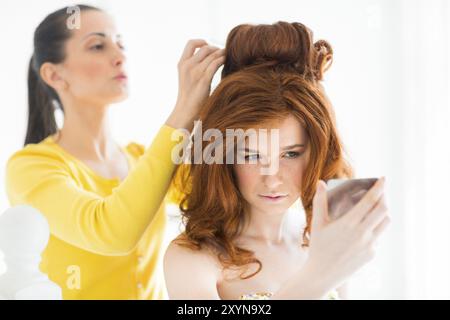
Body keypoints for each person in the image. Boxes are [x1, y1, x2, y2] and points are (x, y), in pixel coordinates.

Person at [5, 4, 224, 299]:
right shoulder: (30, 166)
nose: (120, 57)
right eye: (97, 46)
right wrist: (184, 110)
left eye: (120, 44)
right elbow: (111, 232)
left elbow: (221, 196)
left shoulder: (141, 157)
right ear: (54, 75)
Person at [163, 21, 390, 300]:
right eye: (251, 155)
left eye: (291, 154)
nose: (272, 178)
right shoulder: (193, 259)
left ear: (317, 153)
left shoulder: (318, 239)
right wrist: (318, 276)